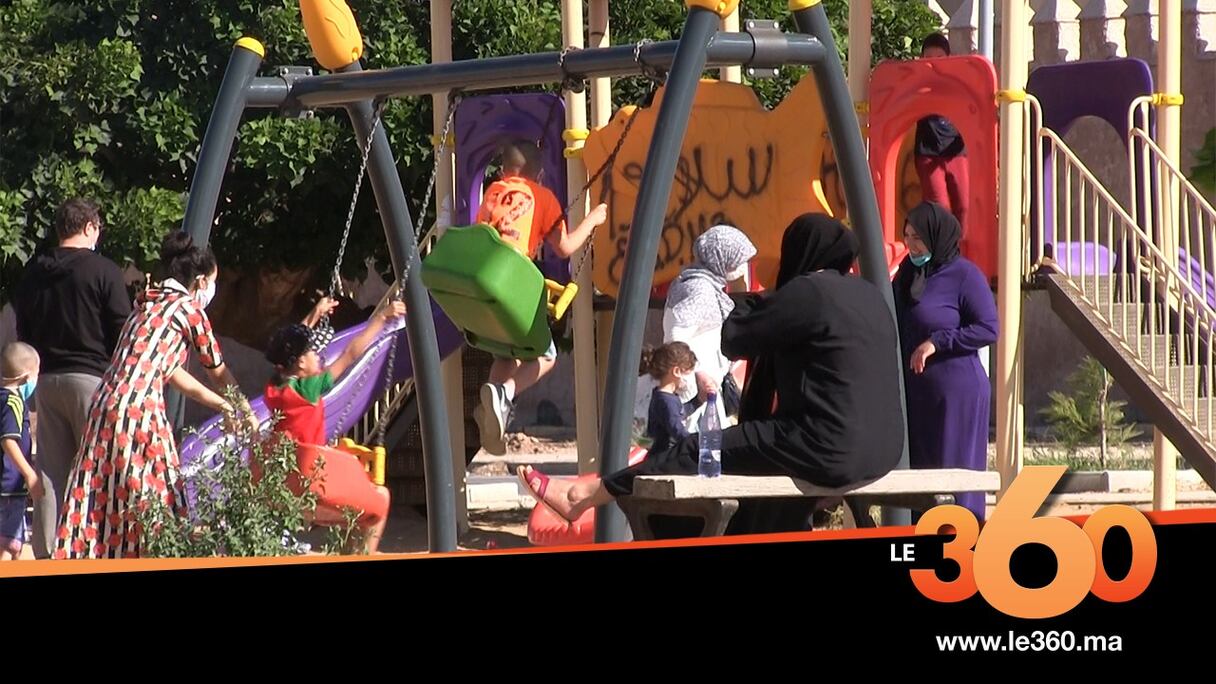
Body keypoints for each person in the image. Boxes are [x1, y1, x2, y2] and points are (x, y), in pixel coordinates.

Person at [517, 214, 905, 527]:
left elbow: (735, 337)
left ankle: (580, 497)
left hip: (828, 448)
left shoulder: (808, 293)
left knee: (699, 449)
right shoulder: (869, 294)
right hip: (885, 451)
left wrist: (756, 302)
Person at [54, 233, 253, 559]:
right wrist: (241, 406)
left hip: (105, 406)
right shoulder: (188, 310)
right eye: (213, 282)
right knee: (159, 498)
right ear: (200, 280)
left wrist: (221, 404)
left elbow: (173, 374)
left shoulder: (146, 307)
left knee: (103, 493)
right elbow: (217, 370)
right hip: (138, 410)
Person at [14, 198, 132, 559]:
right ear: (90, 227)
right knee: (98, 468)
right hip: (93, 381)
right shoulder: (103, 270)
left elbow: (24, 329)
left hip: (47, 380)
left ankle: (48, 551)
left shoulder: (33, 272)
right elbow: (122, 330)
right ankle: (93, 549)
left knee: (50, 469)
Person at [475, 139, 609, 454]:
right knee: (546, 355)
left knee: (506, 354)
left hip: (483, 286)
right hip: (513, 283)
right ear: (540, 174)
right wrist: (593, 219)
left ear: (504, 170)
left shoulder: (492, 193)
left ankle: (491, 411)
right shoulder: (542, 196)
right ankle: (505, 394)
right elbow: (563, 248)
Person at [262, 298, 407, 555]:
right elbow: (351, 353)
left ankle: (350, 553)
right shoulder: (309, 389)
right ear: (301, 363)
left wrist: (314, 314)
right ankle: (365, 555)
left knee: (353, 504)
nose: (318, 356)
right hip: (314, 484)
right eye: (312, 353)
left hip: (286, 485)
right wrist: (382, 317)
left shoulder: (274, 390)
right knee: (380, 500)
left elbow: (289, 349)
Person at [894, 201, 998, 521]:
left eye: (918, 238)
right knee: (921, 485)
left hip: (957, 395)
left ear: (937, 237)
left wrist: (938, 342)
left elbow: (988, 328)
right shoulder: (908, 274)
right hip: (918, 398)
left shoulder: (964, 275)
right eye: (907, 236)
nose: (911, 245)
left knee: (955, 484)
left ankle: (962, 552)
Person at [661, 224, 756, 417]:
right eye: (736, 261)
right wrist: (698, 373)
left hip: (701, 389)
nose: (741, 267)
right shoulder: (700, 290)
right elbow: (676, 336)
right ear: (722, 259)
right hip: (696, 394)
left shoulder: (692, 280)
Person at [914, 32, 970, 233]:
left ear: (949, 59)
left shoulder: (958, 84)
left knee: (964, 206)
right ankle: (940, 255)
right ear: (921, 61)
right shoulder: (917, 83)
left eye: (939, 59)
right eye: (928, 59)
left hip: (956, 152)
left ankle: (962, 253)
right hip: (929, 153)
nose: (934, 65)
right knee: (939, 207)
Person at [0, 343, 42, 560]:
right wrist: (29, 474)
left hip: (7, 489)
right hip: (8, 488)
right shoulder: (13, 402)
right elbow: (8, 441)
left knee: (14, 546)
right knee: (8, 546)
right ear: (27, 377)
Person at [638, 342, 707, 454]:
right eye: (688, 373)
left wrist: (698, 401)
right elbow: (676, 429)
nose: (690, 379)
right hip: (664, 456)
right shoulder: (666, 401)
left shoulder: (665, 396)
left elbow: (679, 413)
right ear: (676, 372)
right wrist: (697, 443)